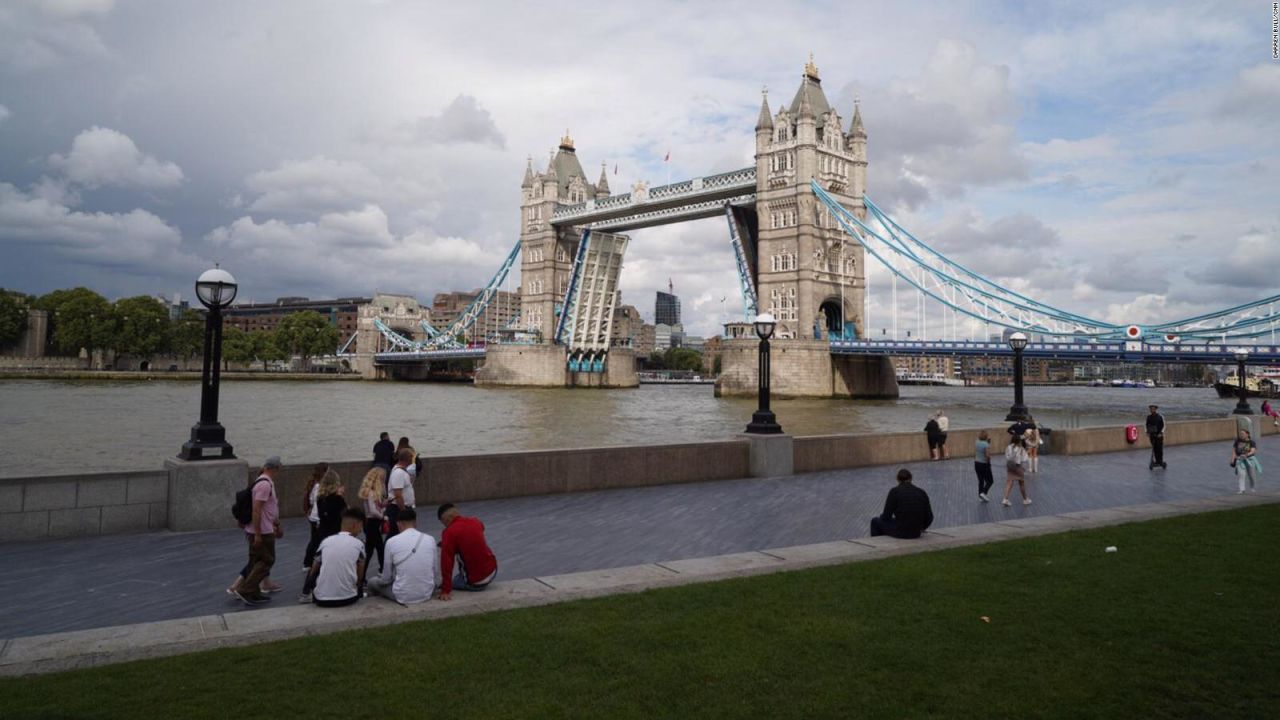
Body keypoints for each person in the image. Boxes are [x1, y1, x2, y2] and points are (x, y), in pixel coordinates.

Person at [234, 456, 283, 606]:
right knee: (267, 560)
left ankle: (254, 593)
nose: (279, 471)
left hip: (262, 528)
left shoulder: (264, 482)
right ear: (273, 468)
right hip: (262, 530)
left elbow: (269, 509)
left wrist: (276, 523)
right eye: (278, 468)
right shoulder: (264, 485)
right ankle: (246, 590)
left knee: (255, 561)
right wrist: (258, 534)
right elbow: (257, 510)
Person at [368, 507, 438, 605]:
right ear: (415, 522)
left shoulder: (391, 542)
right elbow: (435, 571)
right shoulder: (430, 539)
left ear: (398, 524)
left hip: (403, 595)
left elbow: (386, 579)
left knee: (372, 582)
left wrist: (380, 579)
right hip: (427, 592)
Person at [299, 508, 366, 607]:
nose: (361, 530)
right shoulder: (359, 544)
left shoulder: (325, 542)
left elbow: (313, 570)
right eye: (361, 526)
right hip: (348, 598)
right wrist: (358, 586)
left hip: (321, 600)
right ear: (355, 525)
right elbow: (360, 574)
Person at [438, 503, 498, 599]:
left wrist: (445, 590)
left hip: (476, 582)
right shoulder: (475, 521)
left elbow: (447, 564)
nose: (445, 526)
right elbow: (477, 531)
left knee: (454, 581)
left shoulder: (448, 532)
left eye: (444, 524)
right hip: (492, 571)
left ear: (447, 519)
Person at [869, 468, 934, 538]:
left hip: (901, 531)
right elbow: (929, 517)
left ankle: (878, 545)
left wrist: (881, 517)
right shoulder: (921, 492)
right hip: (916, 532)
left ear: (898, 479)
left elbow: (886, 516)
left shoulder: (894, 492)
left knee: (875, 521)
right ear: (911, 478)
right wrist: (921, 528)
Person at [358, 466, 387, 581]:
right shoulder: (371, 493)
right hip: (372, 522)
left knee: (376, 549)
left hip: (371, 523)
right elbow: (373, 511)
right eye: (382, 479)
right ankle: (379, 572)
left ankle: (380, 571)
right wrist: (383, 516)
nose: (383, 481)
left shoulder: (370, 492)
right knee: (373, 550)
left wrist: (383, 505)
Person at [301, 462, 329, 570]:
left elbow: (311, 500)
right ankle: (312, 563)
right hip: (318, 517)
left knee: (314, 540)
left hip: (313, 516)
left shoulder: (314, 484)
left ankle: (308, 562)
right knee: (318, 540)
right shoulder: (320, 486)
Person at [386, 448, 416, 540]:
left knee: (398, 534)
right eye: (413, 457)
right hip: (398, 509)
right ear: (408, 458)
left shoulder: (401, 471)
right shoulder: (399, 473)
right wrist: (404, 511)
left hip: (402, 507)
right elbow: (398, 494)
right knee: (395, 534)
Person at [315, 469, 347, 544]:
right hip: (336, 533)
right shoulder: (338, 499)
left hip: (323, 532)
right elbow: (345, 515)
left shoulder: (320, 498)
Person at [1002, 434, 1032, 507]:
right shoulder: (1021, 448)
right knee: (1021, 483)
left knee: (1009, 482)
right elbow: (1024, 459)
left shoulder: (1008, 447)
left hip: (1010, 467)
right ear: (1019, 441)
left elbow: (1006, 456)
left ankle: (1005, 499)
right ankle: (1025, 499)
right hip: (1018, 467)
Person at [1231, 429, 1261, 494]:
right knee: (1241, 474)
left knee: (1251, 475)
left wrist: (1247, 454)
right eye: (1240, 434)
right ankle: (1242, 489)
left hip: (1249, 459)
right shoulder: (1237, 441)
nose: (1241, 435)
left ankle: (1252, 487)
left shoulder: (1251, 442)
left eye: (1243, 433)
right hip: (1240, 459)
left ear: (1247, 434)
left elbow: (1253, 451)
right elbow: (1234, 450)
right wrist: (1232, 459)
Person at [974, 430, 995, 502]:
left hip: (977, 463)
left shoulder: (977, 442)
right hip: (984, 464)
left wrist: (987, 443)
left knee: (981, 481)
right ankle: (984, 493)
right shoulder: (986, 445)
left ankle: (980, 496)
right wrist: (988, 462)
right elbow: (987, 455)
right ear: (986, 436)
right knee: (990, 481)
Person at [1145, 405, 1167, 470]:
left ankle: (1160, 461)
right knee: (1154, 448)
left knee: (1159, 448)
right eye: (1151, 409)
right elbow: (1146, 425)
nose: (1152, 410)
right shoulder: (1148, 417)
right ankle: (1156, 461)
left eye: (1153, 409)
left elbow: (1164, 425)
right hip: (1152, 435)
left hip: (1159, 435)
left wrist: (1161, 433)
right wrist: (1147, 432)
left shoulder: (1160, 417)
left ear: (1155, 409)